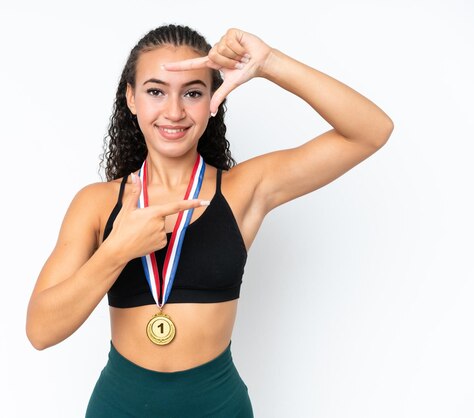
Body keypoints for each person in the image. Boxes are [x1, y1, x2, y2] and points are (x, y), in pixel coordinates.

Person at [26, 24, 393, 417]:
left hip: (218, 407)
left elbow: (371, 131)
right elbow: (41, 331)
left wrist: (269, 63)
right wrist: (116, 251)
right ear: (131, 98)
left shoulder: (243, 190)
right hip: (119, 407)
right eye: (155, 91)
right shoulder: (96, 204)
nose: (174, 111)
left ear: (214, 99)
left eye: (193, 93)